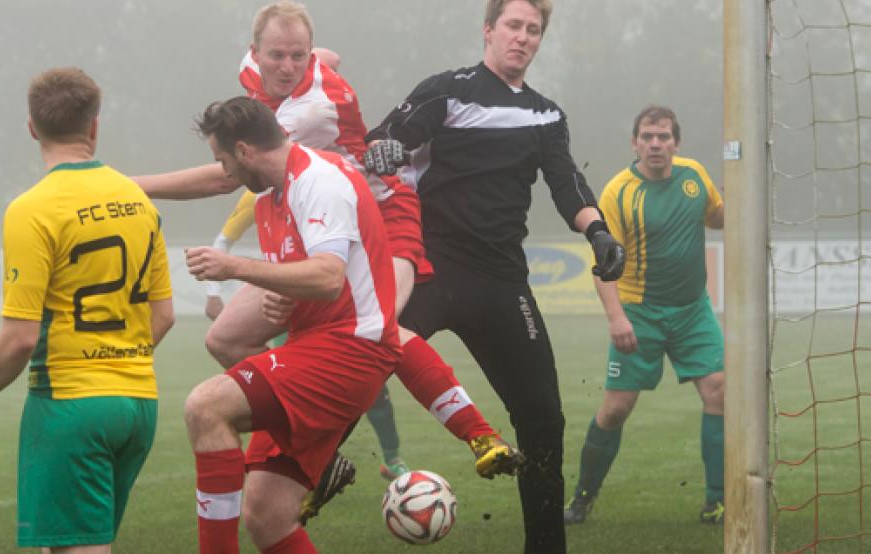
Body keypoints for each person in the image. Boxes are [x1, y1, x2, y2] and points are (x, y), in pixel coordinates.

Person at [135, 0, 523, 520]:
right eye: (278, 55)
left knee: (382, 332)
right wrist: (317, 53)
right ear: (254, 53)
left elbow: (229, 175)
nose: (288, 67)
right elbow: (328, 54)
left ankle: (479, 435)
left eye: (298, 57)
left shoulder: (309, 109)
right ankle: (317, 451)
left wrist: (132, 186)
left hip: (384, 215)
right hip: (317, 226)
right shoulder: (257, 73)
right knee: (225, 338)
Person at [362, 1, 626, 551]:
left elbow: (564, 182)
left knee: (543, 421)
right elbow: (392, 133)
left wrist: (597, 231)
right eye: (514, 26)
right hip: (431, 267)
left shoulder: (546, 116)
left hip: (502, 283)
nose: (523, 37)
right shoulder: (448, 89)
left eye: (533, 30)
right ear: (489, 31)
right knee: (360, 366)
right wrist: (384, 146)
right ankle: (299, 480)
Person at [0, 67, 175, 553]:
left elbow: (19, 338)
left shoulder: (32, 209)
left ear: (32, 128)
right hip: (139, 405)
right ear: (95, 126)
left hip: (71, 405)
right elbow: (165, 315)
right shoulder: (138, 200)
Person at [182, 96, 401, 554]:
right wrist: (286, 301)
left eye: (223, 160)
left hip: (351, 350)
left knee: (205, 407)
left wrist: (234, 267)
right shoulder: (272, 197)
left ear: (244, 151)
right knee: (267, 515)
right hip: (319, 345)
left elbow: (326, 276)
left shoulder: (317, 179)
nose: (225, 173)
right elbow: (308, 279)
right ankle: (319, 453)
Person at [564, 105, 725, 526]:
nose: (656, 144)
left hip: (693, 310)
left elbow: (718, 218)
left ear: (676, 143)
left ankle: (718, 501)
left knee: (719, 393)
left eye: (664, 137)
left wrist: (744, 187)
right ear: (635, 142)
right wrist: (617, 318)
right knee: (616, 410)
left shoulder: (694, 176)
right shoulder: (619, 191)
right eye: (648, 136)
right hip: (639, 313)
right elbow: (604, 262)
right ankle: (583, 497)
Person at [204, 189, 411, 480]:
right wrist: (213, 293)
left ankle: (392, 458)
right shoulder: (259, 191)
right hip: (285, 312)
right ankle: (309, 453)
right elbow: (224, 239)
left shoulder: (317, 187)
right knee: (276, 386)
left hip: (337, 310)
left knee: (375, 390)